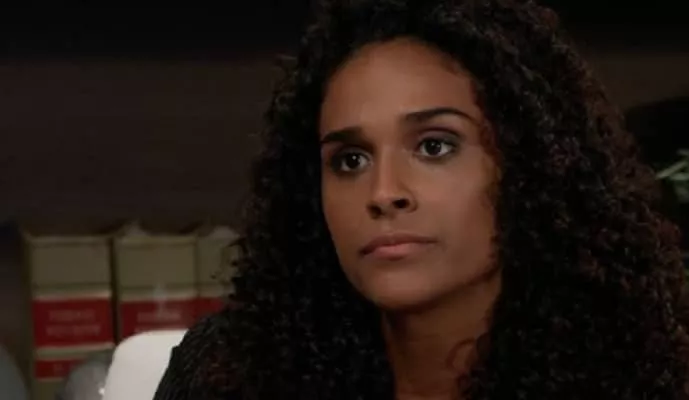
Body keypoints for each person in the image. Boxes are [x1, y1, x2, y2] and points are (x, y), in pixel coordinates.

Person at [154, 0, 689, 398]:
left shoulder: (645, 378)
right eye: (350, 160)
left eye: (435, 146)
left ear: (531, 167)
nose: (384, 192)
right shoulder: (227, 374)